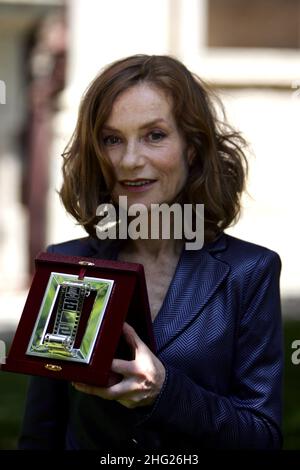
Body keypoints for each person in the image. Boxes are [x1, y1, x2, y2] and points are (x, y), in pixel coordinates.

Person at [19, 54, 283, 450]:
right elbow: (41, 434)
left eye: (154, 135)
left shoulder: (249, 272)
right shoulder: (68, 265)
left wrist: (166, 393)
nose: (130, 160)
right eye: (112, 139)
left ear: (192, 147)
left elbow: (262, 436)